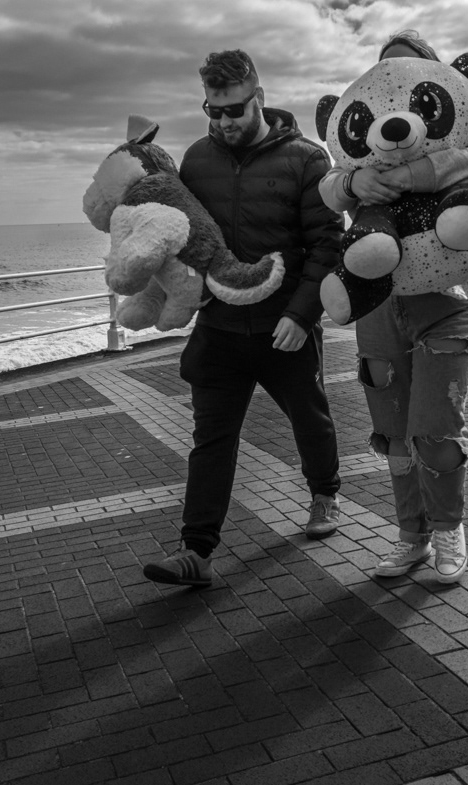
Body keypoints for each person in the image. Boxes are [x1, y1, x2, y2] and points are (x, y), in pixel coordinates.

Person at [142, 49, 345, 587]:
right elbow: (186, 236)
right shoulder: (197, 160)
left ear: (259, 97)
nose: (225, 122)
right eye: (214, 111)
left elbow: (327, 245)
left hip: (286, 328)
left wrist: (303, 315)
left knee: (310, 418)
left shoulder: (306, 159)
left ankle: (325, 493)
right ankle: (196, 551)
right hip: (220, 331)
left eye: (234, 109)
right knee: (211, 439)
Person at [319, 30, 468, 584]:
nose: (394, 83)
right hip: (380, 302)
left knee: (435, 429)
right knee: (394, 432)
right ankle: (411, 537)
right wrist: (354, 178)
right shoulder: (366, 127)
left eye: (407, 69)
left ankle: (449, 529)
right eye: (383, 72)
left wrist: (408, 175)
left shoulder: (458, 117)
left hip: (448, 298)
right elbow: (329, 183)